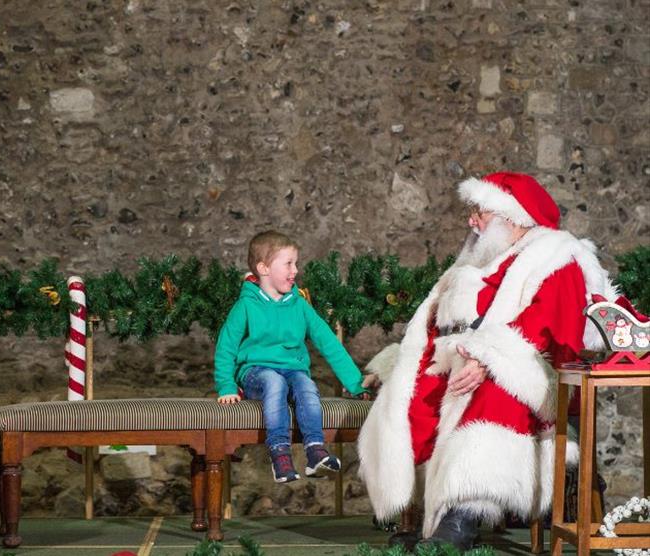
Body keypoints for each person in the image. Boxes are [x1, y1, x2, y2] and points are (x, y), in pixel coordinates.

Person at [358, 172, 616, 550]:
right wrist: (412, 363)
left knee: (496, 389)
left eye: (479, 212)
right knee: (413, 392)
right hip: (466, 362)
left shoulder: (555, 255)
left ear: (509, 216)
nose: (471, 221)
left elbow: (545, 326)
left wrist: (487, 358)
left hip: (532, 370)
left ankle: (461, 517)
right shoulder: (481, 261)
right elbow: (433, 326)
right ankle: (426, 517)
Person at [214, 231, 374, 483]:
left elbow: (329, 343)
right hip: (257, 373)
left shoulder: (299, 305)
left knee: (307, 384)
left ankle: (314, 451)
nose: (295, 270)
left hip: (293, 371)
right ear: (264, 268)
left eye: (295, 263)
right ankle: (280, 454)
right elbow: (226, 347)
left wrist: (354, 382)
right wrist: (226, 386)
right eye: (288, 263)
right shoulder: (246, 305)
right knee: (274, 382)